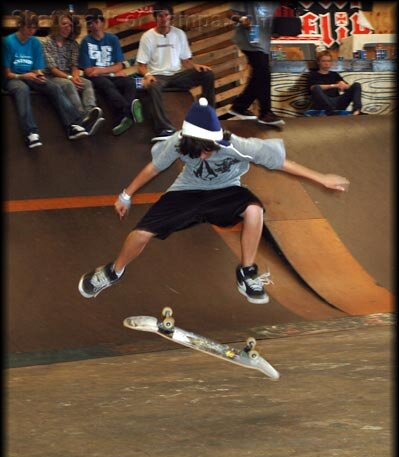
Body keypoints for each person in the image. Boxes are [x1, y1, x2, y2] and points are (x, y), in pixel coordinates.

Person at [78, 97, 349, 305]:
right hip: (185, 192)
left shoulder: (238, 145)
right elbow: (154, 168)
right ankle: (113, 272)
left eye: (209, 150)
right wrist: (126, 195)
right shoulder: (177, 141)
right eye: (200, 152)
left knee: (254, 211)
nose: (205, 156)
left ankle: (247, 273)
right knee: (140, 234)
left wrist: (321, 178)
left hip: (226, 191)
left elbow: (280, 163)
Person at [3, 10, 93, 149]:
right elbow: (6, 73)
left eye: (34, 28)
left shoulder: (35, 43)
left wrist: (39, 76)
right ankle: (31, 133)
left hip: (30, 76)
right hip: (13, 78)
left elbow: (37, 68)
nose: (31, 31)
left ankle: (73, 125)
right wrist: (23, 76)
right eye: (29, 27)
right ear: (20, 25)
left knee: (52, 86)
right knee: (22, 89)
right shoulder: (8, 42)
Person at [136, 2, 216, 143]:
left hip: (178, 77)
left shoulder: (179, 34)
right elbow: (141, 66)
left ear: (171, 16)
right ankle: (164, 128)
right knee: (151, 86)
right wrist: (148, 76)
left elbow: (186, 61)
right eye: (160, 15)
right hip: (158, 77)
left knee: (208, 74)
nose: (163, 18)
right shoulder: (147, 37)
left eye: (166, 15)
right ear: (155, 17)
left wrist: (195, 66)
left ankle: (208, 118)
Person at [78, 7, 144, 136]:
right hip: (96, 79)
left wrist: (101, 70)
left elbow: (119, 66)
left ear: (102, 22)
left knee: (129, 82)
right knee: (106, 84)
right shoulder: (86, 42)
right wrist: (108, 71)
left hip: (109, 75)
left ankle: (123, 119)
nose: (93, 25)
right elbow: (89, 72)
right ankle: (129, 111)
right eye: (90, 23)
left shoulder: (112, 39)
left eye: (96, 22)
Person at [43, 10, 104, 136]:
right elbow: (53, 69)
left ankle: (90, 112)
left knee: (86, 83)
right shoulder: (47, 43)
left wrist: (75, 77)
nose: (67, 27)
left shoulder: (73, 44)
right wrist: (70, 78)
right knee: (68, 84)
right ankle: (82, 117)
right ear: (57, 25)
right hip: (52, 76)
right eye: (64, 24)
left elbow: (74, 65)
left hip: (68, 75)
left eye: (70, 25)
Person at [228, 2, 285, 126]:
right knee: (263, 72)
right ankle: (265, 112)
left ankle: (240, 106)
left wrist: (276, 30)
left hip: (263, 42)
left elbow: (270, 20)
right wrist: (241, 19)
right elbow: (230, 13)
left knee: (261, 75)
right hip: (249, 39)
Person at [308, 50, 363, 115]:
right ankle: (332, 110)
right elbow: (313, 88)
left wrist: (343, 84)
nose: (326, 63)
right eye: (324, 61)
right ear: (318, 62)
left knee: (356, 85)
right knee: (316, 88)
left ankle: (356, 111)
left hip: (337, 102)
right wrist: (335, 85)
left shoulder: (334, 74)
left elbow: (346, 87)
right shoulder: (313, 75)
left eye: (329, 61)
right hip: (323, 104)